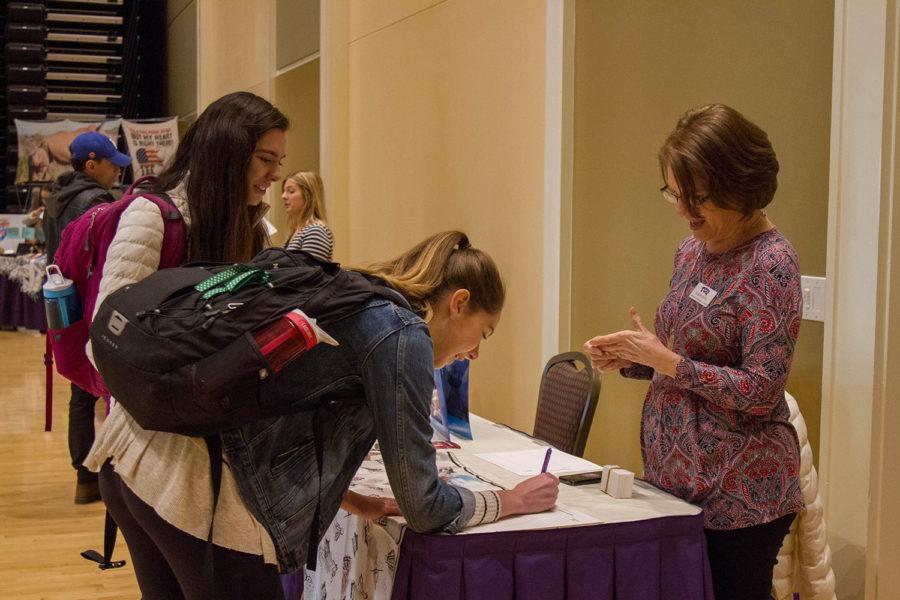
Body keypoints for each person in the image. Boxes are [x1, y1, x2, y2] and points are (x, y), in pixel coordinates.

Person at [84, 90, 558, 599]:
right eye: (266, 161)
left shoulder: (281, 248)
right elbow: (109, 339)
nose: (273, 176)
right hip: (185, 483)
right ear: (458, 302)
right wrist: (507, 502)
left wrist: (346, 497)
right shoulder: (399, 332)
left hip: (146, 470)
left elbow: (270, 393)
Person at [583, 104, 804, 600]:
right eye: (676, 195)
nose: (684, 212)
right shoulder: (693, 250)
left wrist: (668, 362)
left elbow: (761, 390)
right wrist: (638, 358)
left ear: (742, 187)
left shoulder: (773, 264)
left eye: (698, 198)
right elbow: (689, 358)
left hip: (740, 496)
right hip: (679, 486)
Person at [43, 131, 131, 504]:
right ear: (92, 164)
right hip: (91, 306)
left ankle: (84, 471)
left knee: (79, 389)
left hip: (65, 307)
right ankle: (98, 473)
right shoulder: (94, 202)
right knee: (97, 387)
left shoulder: (56, 200)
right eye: (112, 165)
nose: (117, 172)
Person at [281, 170, 333, 261]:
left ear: (308, 195)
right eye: (284, 191)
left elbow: (308, 273)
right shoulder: (295, 231)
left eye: (291, 191)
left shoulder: (316, 231)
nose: (283, 196)